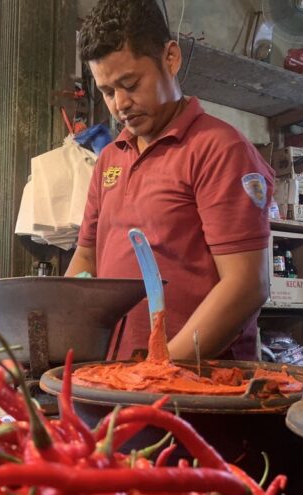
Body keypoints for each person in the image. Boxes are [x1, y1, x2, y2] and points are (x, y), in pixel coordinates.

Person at [65, 0, 274, 361]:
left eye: (129, 84)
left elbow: (246, 284)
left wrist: (159, 368)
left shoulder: (218, 149)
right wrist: (62, 331)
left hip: (197, 386)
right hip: (117, 376)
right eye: (107, 92)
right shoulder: (111, 158)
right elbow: (86, 258)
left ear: (171, 58)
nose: (120, 105)